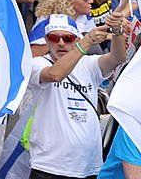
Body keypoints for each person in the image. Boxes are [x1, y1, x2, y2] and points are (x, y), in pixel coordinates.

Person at [29, 12, 128, 179]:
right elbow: (55, 74)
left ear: (75, 39)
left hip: (88, 164)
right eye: (54, 38)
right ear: (46, 40)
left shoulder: (88, 64)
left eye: (67, 38)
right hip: (50, 165)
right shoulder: (37, 63)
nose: (61, 43)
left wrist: (117, 31)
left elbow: (118, 58)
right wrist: (86, 43)